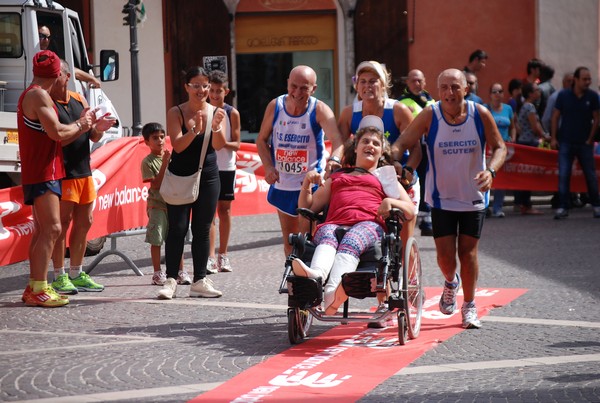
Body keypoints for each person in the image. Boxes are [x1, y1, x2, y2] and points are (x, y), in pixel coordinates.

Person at [396, 68, 507, 329]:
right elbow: (403, 141)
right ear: (437, 91)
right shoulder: (430, 115)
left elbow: (500, 146)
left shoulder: (479, 114)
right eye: (444, 87)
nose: (450, 93)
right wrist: (391, 156)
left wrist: (491, 171)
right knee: (446, 258)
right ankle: (450, 281)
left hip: (473, 196)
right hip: (441, 197)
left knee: (468, 253)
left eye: (455, 87)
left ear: (466, 89)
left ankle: (469, 306)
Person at [290, 115, 415, 315]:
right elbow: (309, 208)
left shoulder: (385, 177)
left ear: (381, 152)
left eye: (376, 143)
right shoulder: (338, 177)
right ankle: (316, 277)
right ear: (355, 147)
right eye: (365, 141)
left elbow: (410, 210)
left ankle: (332, 293)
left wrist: (390, 201)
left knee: (352, 238)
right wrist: (306, 184)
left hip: (368, 224)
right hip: (335, 223)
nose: (370, 145)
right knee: (327, 233)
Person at [18, 50, 96, 307]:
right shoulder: (39, 94)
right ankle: (40, 287)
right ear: (56, 74)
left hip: (41, 170)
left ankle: (34, 286)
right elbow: (57, 133)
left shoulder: (34, 93)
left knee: (42, 230)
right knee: (52, 228)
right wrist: (83, 124)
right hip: (43, 171)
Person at [256, 65, 344, 257]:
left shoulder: (319, 109)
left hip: (311, 186)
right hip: (283, 185)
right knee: (290, 240)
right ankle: (292, 284)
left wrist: (334, 160)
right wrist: (269, 167)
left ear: (314, 88)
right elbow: (261, 140)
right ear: (287, 83)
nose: (297, 92)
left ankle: (310, 281)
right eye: (293, 86)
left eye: (304, 88)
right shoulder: (275, 106)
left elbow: (338, 142)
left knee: (308, 240)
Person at [157, 66, 227, 300]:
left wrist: (214, 127)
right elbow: (177, 145)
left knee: (202, 229)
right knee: (177, 228)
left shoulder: (216, 111)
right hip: (179, 176)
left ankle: (199, 280)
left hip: (208, 175)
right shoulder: (176, 112)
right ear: (187, 87)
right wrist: (195, 129)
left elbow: (218, 145)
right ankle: (170, 279)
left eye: (205, 85)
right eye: (195, 85)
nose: (201, 90)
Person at [49, 59, 113, 294]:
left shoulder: (78, 99)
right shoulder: (48, 103)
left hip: (84, 170)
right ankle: (58, 275)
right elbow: (56, 137)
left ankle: (76, 272)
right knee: (61, 225)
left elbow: (92, 135)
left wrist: (99, 128)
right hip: (63, 172)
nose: (52, 79)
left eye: (56, 75)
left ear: (66, 77)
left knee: (85, 222)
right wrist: (83, 126)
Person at [141, 122, 191, 286]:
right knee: (157, 239)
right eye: (155, 138)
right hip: (157, 205)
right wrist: (164, 163)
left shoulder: (172, 156)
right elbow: (155, 184)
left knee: (177, 237)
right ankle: (157, 273)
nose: (160, 141)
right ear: (147, 142)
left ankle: (180, 271)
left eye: (162, 137)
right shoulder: (148, 162)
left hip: (174, 203)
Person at [550, 66, 600, 219]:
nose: (588, 82)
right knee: (564, 175)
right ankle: (563, 207)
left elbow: (597, 118)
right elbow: (555, 116)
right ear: (576, 80)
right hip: (566, 142)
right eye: (585, 79)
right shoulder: (563, 95)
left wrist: (591, 138)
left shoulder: (592, 96)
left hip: (585, 143)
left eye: (589, 79)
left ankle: (596, 205)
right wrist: (553, 138)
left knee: (590, 175)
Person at [207, 70, 241, 273]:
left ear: (226, 91)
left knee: (225, 210)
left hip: (226, 166)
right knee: (209, 212)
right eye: (212, 90)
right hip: (208, 165)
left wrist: (221, 143)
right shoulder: (203, 110)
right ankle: (210, 257)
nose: (215, 94)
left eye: (219, 90)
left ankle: (224, 254)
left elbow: (236, 143)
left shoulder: (232, 113)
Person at [398, 69, 436, 236]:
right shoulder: (401, 102)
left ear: (425, 82)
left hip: (430, 147)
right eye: (413, 80)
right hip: (412, 149)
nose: (417, 84)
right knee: (411, 179)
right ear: (407, 83)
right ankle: (410, 214)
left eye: (420, 80)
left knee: (430, 180)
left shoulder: (431, 101)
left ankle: (427, 218)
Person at [515, 82, 548, 215]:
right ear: (530, 93)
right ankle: (526, 205)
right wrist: (545, 136)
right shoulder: (530, 107)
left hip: (524, 142)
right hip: (529, 143)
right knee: (529, 176)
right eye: (536, 90)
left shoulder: (525, 106)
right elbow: (535, 128)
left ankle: (523, 203)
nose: (539, 92)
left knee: (524, 175)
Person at [485, 82, 516, 217]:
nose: (498, 95)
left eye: (500, 91)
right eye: (495, 92)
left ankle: (498, 208)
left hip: (504, 148)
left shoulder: (508, 109)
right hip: (489, 148)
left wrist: (513, 139)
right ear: (490, 95)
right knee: (487, 176)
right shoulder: (486, 109)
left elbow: (513, 126)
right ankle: (485, 207)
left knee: (502, 179)